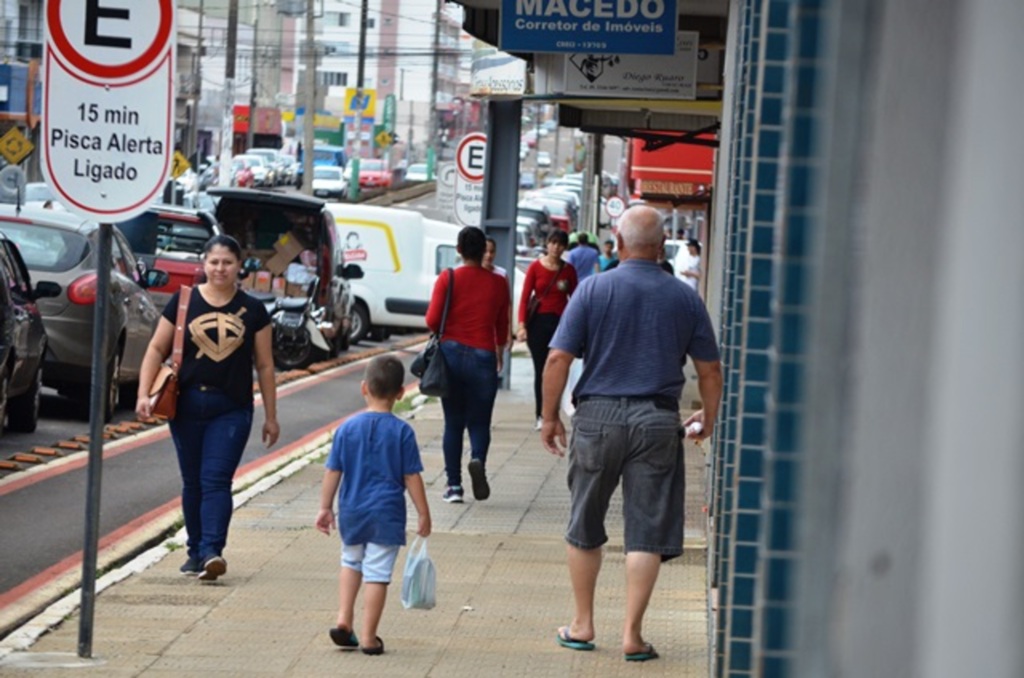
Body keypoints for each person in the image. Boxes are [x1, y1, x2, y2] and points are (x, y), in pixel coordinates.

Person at [539, 205, 723, 662]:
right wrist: (709, 418)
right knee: (646, 531)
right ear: (662, 248)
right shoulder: (685, 298)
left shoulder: (592, 290)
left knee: (585, 523)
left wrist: (549, 418)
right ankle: (632, 635)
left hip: (597, 418)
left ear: (618, 244)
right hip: (658, 420)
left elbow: (558, 359)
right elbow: (710, 370)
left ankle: (582, 624)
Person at [136, 234, 279, 581]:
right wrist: (143, 393)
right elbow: (156, 349)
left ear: (239, 266)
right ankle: (195, 550)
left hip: (231, 408)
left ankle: (213, 551)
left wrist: (272, 417)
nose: (220, 269)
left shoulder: (254, 310)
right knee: (192, 482)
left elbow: (265, 365)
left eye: (227, 262)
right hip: (185, 404)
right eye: (214, 262)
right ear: (203, 264)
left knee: (216, 480)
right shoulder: (183, 302)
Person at [315, 355, 431, 656]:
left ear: (364, 388)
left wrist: (325, 507)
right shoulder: (402, 432)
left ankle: (343, 619)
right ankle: (368, 637)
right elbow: (411, 476)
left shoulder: (346, 429)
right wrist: (423, 513)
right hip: (386, 514)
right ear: (401, 393)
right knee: (377, 573)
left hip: (352, 510)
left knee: (350, 561)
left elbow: (333, 471)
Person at [425, 227, 510, 503]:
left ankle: (454, 487)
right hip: (483, 356)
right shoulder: (498, 283)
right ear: (483, 251)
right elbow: (502, 326)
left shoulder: (448, 278)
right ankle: (477, 459)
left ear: (459, 250)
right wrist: (498, 353)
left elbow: (432, 321)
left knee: (453, 423)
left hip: (450, 356)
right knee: (480, 422)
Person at [516, 230, 578, 430]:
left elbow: (576, 299)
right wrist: (522, 325)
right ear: (547, 244)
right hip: (538, 325)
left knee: (558, 369)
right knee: (541, 370)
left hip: (561, 325)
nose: (556, 247)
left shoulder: (568, 271)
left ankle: (554, 413)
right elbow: (525, 297)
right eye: (553, 243)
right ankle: (541, 415)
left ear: (565, 247)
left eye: (561, 244)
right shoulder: (535, 267)